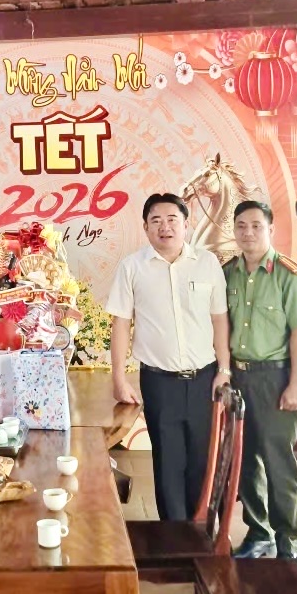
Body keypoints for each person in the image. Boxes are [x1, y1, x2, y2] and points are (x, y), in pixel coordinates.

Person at [106, 193, 231, 521]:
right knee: (167, 460)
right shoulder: (132, 267)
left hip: (205, 379)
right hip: (159, 382)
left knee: (204, 458)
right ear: (145, 227)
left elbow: (219, 319)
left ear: (186, 224)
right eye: (156, 221)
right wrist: (119, 377)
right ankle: (174, 534)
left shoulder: (207, 263)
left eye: (172, 219)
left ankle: (202, 529)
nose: (165, 227)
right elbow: (121, 323)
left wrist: (225, 369)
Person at [225, 200, 297, 559]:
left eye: (256, 226)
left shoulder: (289, 274)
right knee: (244, 458)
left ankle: (287, 538)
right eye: (241, 226)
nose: (247, 233)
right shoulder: (228, 272)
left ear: (270, 230)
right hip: (238, 376)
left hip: (275, 377)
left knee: (278, 460)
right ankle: (258, 532)